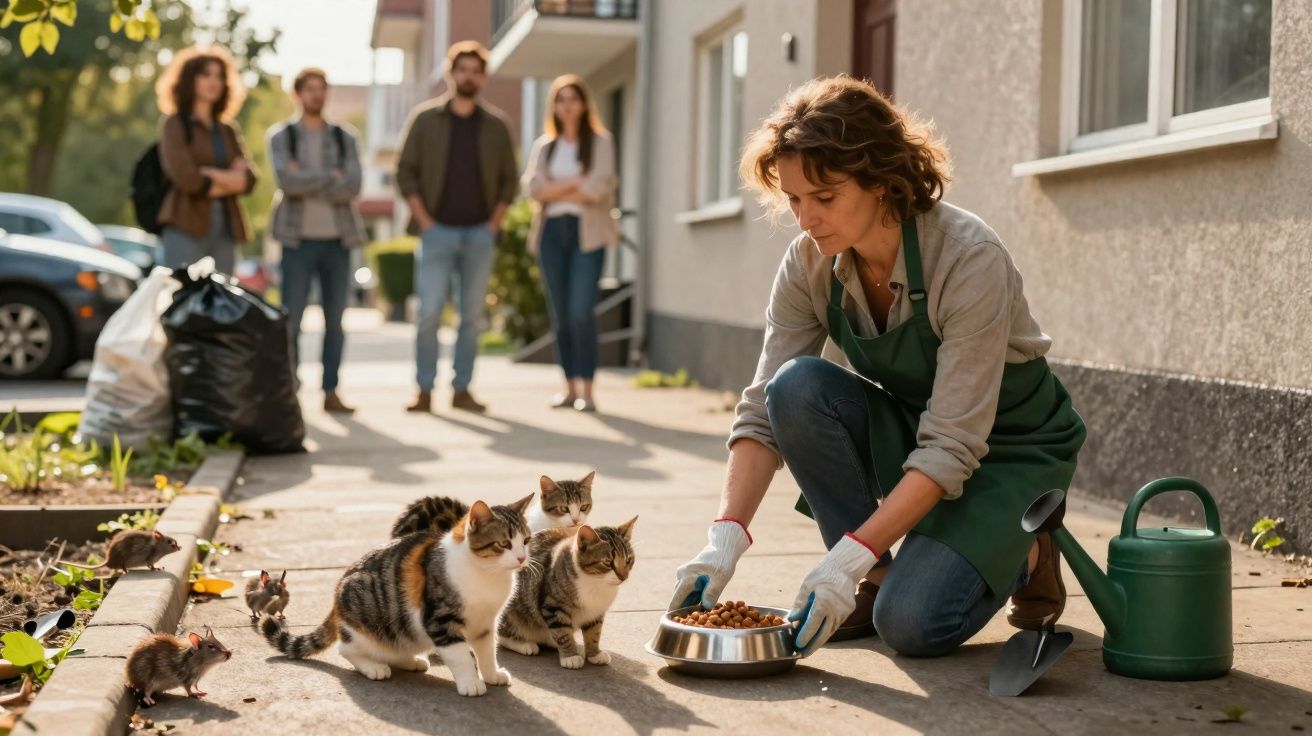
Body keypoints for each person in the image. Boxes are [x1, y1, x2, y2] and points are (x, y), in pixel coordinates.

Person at [667, 76, 1086, 659]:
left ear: (883, 181)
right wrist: (724, 540)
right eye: (793, 200)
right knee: (796, 389)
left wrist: (844, 555)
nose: (806, 219)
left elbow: (953, 444)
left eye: (825, 196)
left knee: (913, 625)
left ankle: (1028, 549)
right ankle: (873, 577)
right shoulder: (809, 263)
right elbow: (763, 407)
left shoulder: (968, 259)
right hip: (922, 430)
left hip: (1011, 448)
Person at [395, 41, 519, 415]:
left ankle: (462, 389)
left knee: (470, 317)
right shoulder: (425, 119)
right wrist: (426, 221)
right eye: (462, 69)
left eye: (475, 70)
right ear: (450, 74)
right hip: (436, 233)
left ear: (483, 77)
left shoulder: (497, 125)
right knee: (430, 313)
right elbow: (405, 173)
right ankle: (424, 390)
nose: (468, 76)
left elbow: (509, 183)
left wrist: (492, 225)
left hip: (479, 235)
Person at [267, 67, 366, 415]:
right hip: (297, 241)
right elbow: (286, 182)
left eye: (322, 89)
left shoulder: (344, 137)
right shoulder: (282, 137)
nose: (317, 95)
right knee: (291, 320)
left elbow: (353, 185)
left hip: (338, 241)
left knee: (335, 321)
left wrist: (306, 178)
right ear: (297, 94)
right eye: (310, 89)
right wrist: (329, 178)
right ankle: (289, 389)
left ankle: (331, 390)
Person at [522, 75, 619, 413]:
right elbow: (534, 189)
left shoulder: (601, 142)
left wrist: (556, 187)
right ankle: (568, 387)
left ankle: (588, 391)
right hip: (551, 232)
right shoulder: (544, 147)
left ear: (583, 103)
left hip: (586, 232)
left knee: (581, 311)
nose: (566, 105)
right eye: (560, 99)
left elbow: (599, 189)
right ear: (554, 106)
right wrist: (576, 183)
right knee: (560, 313)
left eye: (572, 98)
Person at [155, 46, 256, 275]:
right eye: (206, 74)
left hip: (226, 227)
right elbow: (187, 178)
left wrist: (210, 174)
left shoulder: (227, 130)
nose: (214, 81)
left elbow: (249, 181)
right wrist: (230, 179)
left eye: (220, 76)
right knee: (181, 297)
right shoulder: (175, 124)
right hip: (184, 223)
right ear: (190, 79)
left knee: (223, 300)